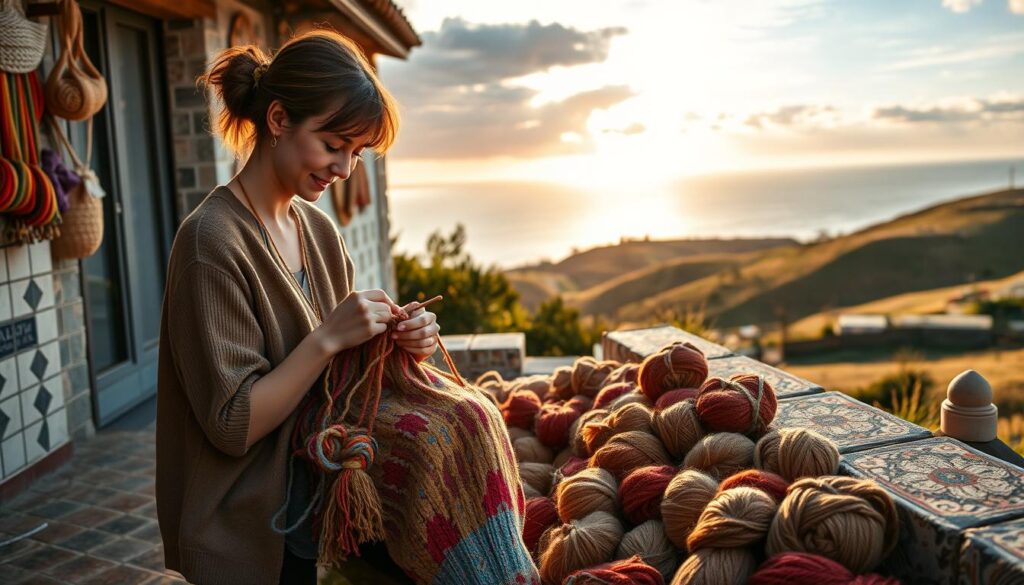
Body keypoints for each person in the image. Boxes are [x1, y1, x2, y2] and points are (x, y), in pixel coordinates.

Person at [155, 30, 435, 584]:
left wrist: (399, 342)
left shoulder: (318, 230)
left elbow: (337, 378)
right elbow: (234, 424)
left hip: (307, 508)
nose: (344, 169)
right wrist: (328, 337)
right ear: (279, 119)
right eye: (333, 145)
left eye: (356, 154)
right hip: (245, 532)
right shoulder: (210, 241)